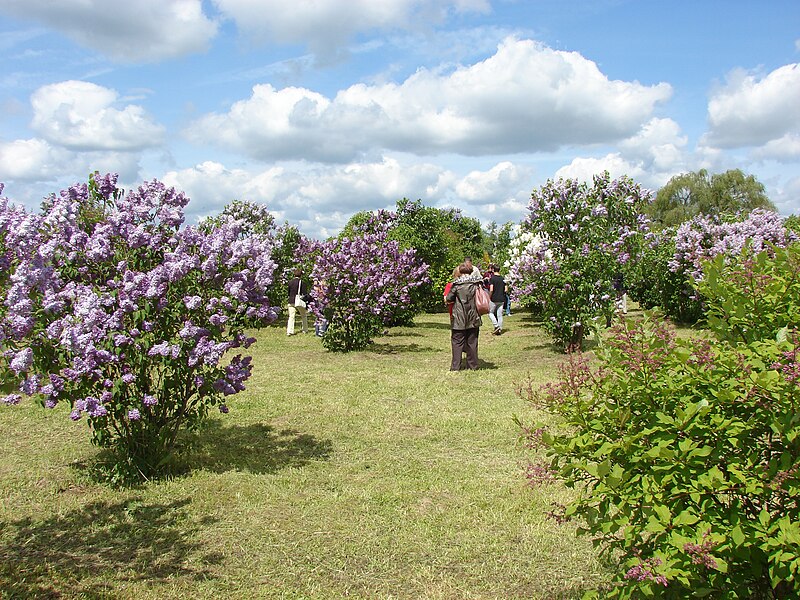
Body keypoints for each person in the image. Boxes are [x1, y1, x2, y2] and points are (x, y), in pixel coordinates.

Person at [445, 263, 483, 371]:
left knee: (457, 342)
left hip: (459, 318)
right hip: (474, 317)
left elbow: (449, 298)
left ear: (460, 272)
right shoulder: (476, 284)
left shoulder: (456, 285)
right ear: (471, 271)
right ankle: (473, 366)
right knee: (472, 342)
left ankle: (455, 367)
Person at [286, 268, 309, 335]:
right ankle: (305, 329)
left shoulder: (290, 282)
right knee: (304, 315)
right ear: (301, 275)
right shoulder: (302, 283)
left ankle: (290, 331)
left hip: (291, 300)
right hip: (299, 301)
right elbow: (304, 294)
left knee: (291, 316)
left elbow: (288, 292)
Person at [487, 264, 506, 335]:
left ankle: (496, 325)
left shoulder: (492, 278)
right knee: (499, 315)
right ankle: (500, 329)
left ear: (493, 270)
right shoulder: (502, 278)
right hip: (501, 298)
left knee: (490, 312)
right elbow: (506, 289)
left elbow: (491, 289)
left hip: (494, 298)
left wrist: (489, 296)